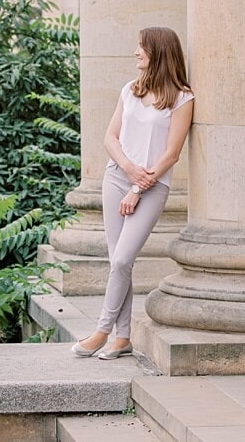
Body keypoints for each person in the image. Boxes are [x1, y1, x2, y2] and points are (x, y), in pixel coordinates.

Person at [71, 27, 194, 360]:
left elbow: (171, 154)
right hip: (116, 179)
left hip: (153, 186)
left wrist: (139, 187)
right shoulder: (130, 90)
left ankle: (101, 330)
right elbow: (110, 137)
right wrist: (127, 170)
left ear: (158, 52)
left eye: (142, 47)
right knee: (118, 263)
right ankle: (122, 337)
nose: (136, 52)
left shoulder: (183, 98)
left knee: (123, 258)